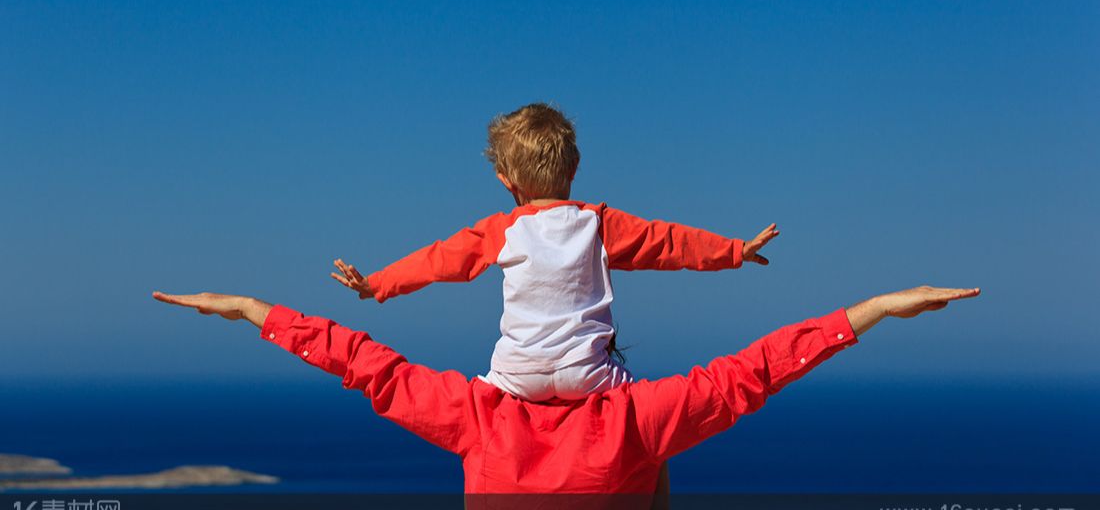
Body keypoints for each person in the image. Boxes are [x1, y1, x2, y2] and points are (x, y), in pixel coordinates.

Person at [152, 284, 979, 499]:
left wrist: (254, 310)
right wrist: (869, 310)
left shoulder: (476, 416)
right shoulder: (640, 420)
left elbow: (360, 359)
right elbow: (754, 370)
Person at [328, 102, 781, 401]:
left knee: (477, 412)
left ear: (507, 181)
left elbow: (438, 260)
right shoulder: (598, 224)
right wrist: (735, 250)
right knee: (645, 424)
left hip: (515, 374)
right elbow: (669, 243)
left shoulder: (501, 230)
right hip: (587, 373)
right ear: (576, 166)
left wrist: (377, 285)